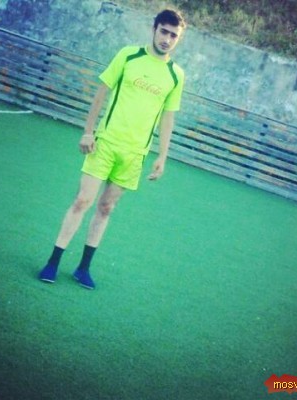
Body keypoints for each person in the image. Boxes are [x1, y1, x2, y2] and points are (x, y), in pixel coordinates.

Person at [38, 8, 186, 289]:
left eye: (173, 36)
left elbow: (168, 117)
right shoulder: (128, 56)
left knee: (106, 207)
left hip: (135, 154)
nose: (167, 39)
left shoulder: (176, 75)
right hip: (105, 143)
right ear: (154, 29)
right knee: (83, 200)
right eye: (164, 32)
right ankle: (53, 262)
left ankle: (83, 269)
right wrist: (88, 131)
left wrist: (162, 156)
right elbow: (101, 92)